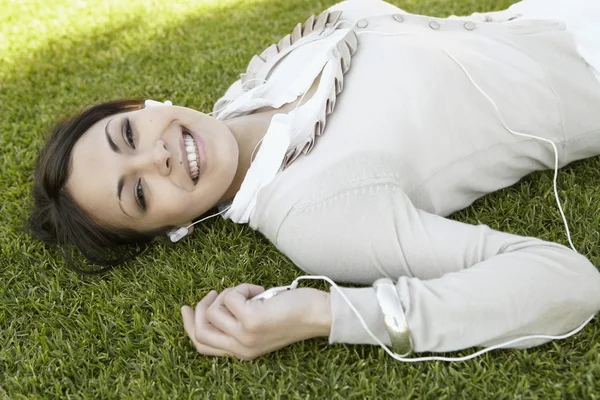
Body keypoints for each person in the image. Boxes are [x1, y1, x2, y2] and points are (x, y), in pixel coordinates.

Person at [29, 0, 600, 361]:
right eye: (140, 194)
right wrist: (323, 315)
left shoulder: (251, 89)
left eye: (127, 135)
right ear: (170, 229)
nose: (157, 158)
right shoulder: (318, 213)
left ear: (143, 104)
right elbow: (567, 283)